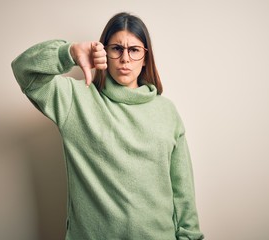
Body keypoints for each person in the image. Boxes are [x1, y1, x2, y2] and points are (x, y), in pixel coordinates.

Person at [11, 12, 204, 240]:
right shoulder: (76, 99)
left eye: (134, 50)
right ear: (103, 52)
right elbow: (24, 70)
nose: (125, 59)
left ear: (145, 57)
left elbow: (183, 193)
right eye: (116, 49)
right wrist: (70, 52)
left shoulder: (167, 112)